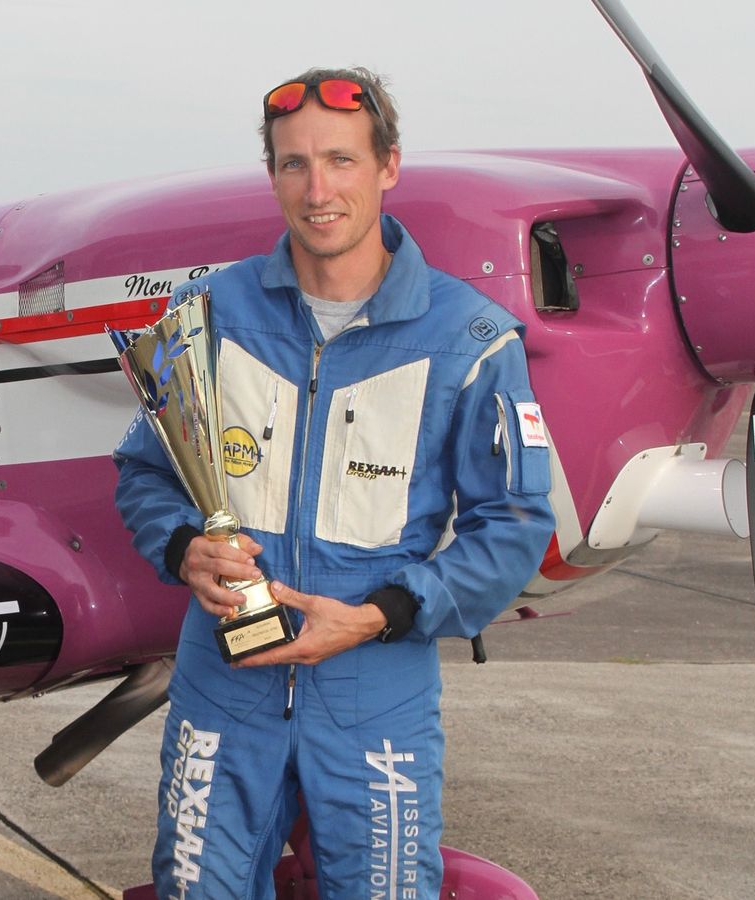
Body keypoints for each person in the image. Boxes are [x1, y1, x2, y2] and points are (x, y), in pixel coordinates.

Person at [113, 66, 555, 900]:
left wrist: (379, 615)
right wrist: (182, 548)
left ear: (389, 166)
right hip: (224, 686)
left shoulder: (471, 338)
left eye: (342, 161)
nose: (318, 190)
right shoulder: (208, 316)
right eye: (294, 164)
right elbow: (145, 469)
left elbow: (515, 525)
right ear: (273, 174)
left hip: (375, 693)